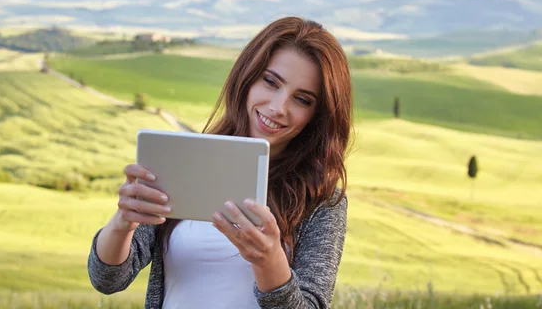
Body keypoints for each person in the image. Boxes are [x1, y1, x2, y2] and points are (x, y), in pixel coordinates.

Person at [87, 16, 354, 308]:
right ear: (247, 76)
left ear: (318, 115)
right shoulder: (186, 161)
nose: (278, 108)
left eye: (302, 100)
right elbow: (107, 279)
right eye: (270, 82)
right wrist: (124, 222)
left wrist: (269, 262)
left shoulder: (322, 201)